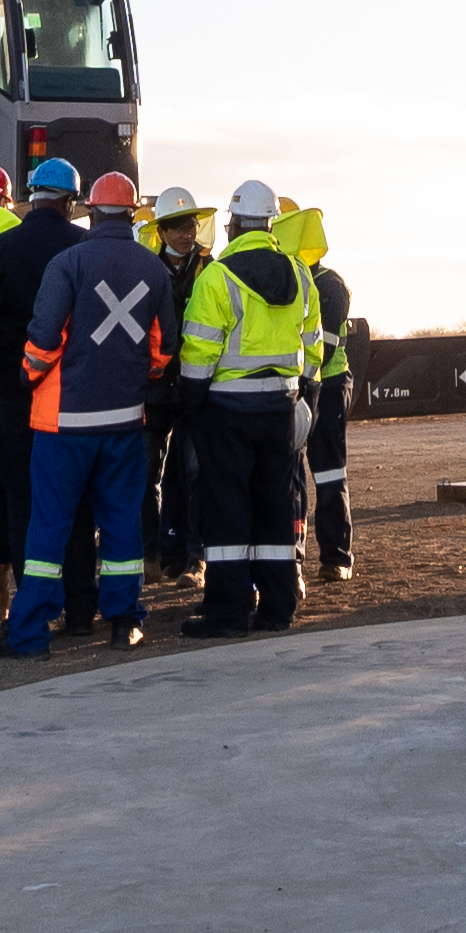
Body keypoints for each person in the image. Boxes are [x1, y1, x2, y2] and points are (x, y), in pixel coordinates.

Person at [0, 172, 160, 655]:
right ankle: (124, 624)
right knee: (121, 525)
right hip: (125, 422)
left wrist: (28, 376)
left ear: (89, 209)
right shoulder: (151, 267)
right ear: (131, 213)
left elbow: (44, 339)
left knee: (48, 526)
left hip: (62, 424)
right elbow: (162, 347)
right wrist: (133, 376)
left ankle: (29, 635)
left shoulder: (67, 263)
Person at [177, 181, 321, 639]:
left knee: (228, 509)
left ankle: (228, 612)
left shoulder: (216, 277)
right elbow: (314, 347)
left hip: (227, 409)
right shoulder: (300, 274)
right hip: (281, 406)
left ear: (234, 224)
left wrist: (191, 404)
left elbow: (199, 352)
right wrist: (304, 399)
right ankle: (278, 608)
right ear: (272, 224)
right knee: (275, 506)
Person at [0, 159, 67, 637]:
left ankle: (8, 597)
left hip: (2, 389)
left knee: (11, 495)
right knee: (67, 495)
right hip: (66, 393)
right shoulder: (79, 247)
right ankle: (73, 603)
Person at [286, 201, 359, 581]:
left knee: (328, 471)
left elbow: (324, 348)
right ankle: (294, 556)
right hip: (298, 386)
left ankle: (337, 557)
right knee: (292, 474)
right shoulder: (289, 277)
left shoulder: (330, 285)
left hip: (326, 386)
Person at [140, 187, 210, 583]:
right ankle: (155, 556)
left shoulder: (210, 267)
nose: (187, 233)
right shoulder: (146, 269)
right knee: (149, 474)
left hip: (194, 387)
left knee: (196, 472)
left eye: (191, 225)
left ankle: (196, 558)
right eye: (178, 226)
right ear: (162, 232)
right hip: (156, 387)